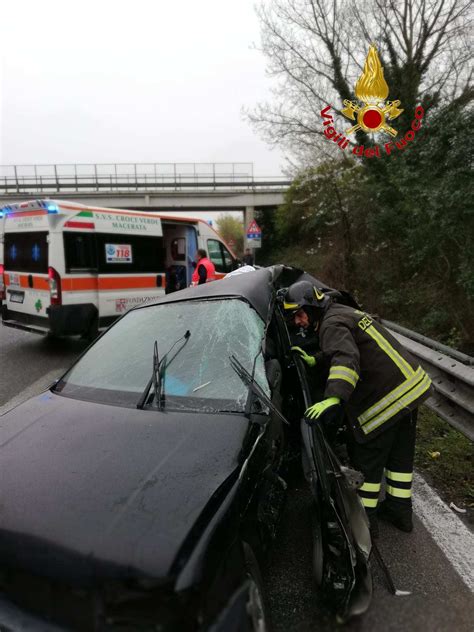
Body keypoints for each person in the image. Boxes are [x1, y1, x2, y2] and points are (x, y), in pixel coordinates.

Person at [282, 280, 432, 537]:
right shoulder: (341, 312)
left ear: (313, 307)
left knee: (367, 461)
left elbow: (345, 358)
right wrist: (316, 359)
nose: (297, 322)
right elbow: (348, 348)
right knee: (399, 458)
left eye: (299, 314)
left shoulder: (330, 324)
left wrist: (334, 397)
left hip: (386, 398)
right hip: (410, 389)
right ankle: (399, 512)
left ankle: (364, 524)